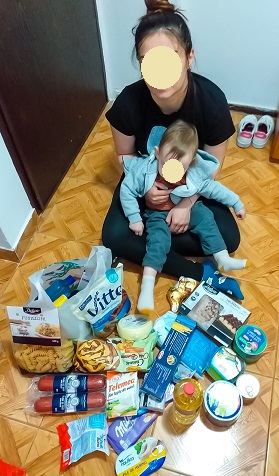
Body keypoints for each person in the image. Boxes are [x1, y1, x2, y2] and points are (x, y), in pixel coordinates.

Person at [102, 0, 244, 300]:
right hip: (144, 183)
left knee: (230, 237)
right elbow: (125, 159)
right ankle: (200, 273)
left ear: (189, 56)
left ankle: (158, 243)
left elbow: (212, 166)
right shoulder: (128, 102)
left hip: (191, 186)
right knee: (113, 237)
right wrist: (148, 192)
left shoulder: (212, 102)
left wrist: (186, 203)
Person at [120, 120, 247, 314]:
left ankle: (222, 258)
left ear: (192, 161)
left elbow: (214, 189)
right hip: (156, 213)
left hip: (188, 208)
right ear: (156, 152)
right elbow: (127, 190)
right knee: (157, 242)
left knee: (205, 216)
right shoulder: (144, 171)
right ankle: (147, 284)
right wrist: (134, 218)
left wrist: (236, 202)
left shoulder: (194, 174)